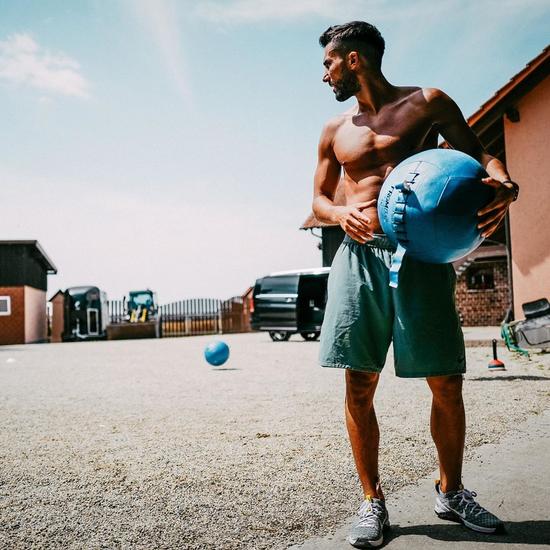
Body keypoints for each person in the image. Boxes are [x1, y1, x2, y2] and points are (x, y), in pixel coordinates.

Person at [312, 21, 518, 549]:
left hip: (421, 256)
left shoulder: (427, 104)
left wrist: (504, 183)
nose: (324, 74)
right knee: (359, 382)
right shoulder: (335, 130)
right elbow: (318, 200)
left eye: (328, 63)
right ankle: (371, 499)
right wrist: (339, 214)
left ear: (353, 59)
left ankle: (451, 491)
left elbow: (480, 155)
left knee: (446, 380)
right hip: (359, 257)